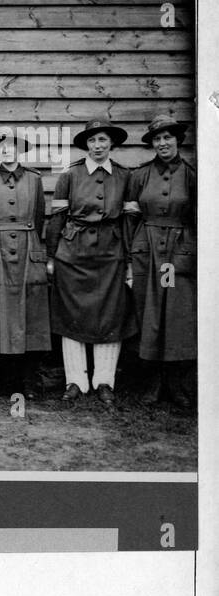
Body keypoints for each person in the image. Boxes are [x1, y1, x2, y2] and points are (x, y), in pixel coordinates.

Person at [46, 119, 139, 406]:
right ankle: (75, 381)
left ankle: (104, 382)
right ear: (86, 144)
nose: (97, 146)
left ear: (111, 143)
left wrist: (129, 261)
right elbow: (57, 221)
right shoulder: (70, 175)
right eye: (92, 141)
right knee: (71, 315)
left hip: (111, 255)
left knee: (110, 315)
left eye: (102, 140)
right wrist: (52, 256)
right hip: (73, 254)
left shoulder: (125, 176)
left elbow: (131, 222)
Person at [127, 114, 196, 407]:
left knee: (176, 314)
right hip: (148, 251)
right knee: (149, 313)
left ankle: (176, 383)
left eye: (168, 137)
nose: (163, 143)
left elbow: (198, 218)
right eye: (157, 138)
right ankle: (151, 383)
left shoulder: (192, 174)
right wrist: (133, 255)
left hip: (176, 254)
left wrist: (189, 252)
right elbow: (130, 218)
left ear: (177, 140)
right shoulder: (140, 175)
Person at [0, 132, 51, 404]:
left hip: (27, 252)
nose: (7, 151)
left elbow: (41, 216)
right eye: (1, 148)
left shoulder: (34, 179)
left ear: (19, 151)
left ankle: (28, 381)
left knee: (30, 316)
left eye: (12, 147)